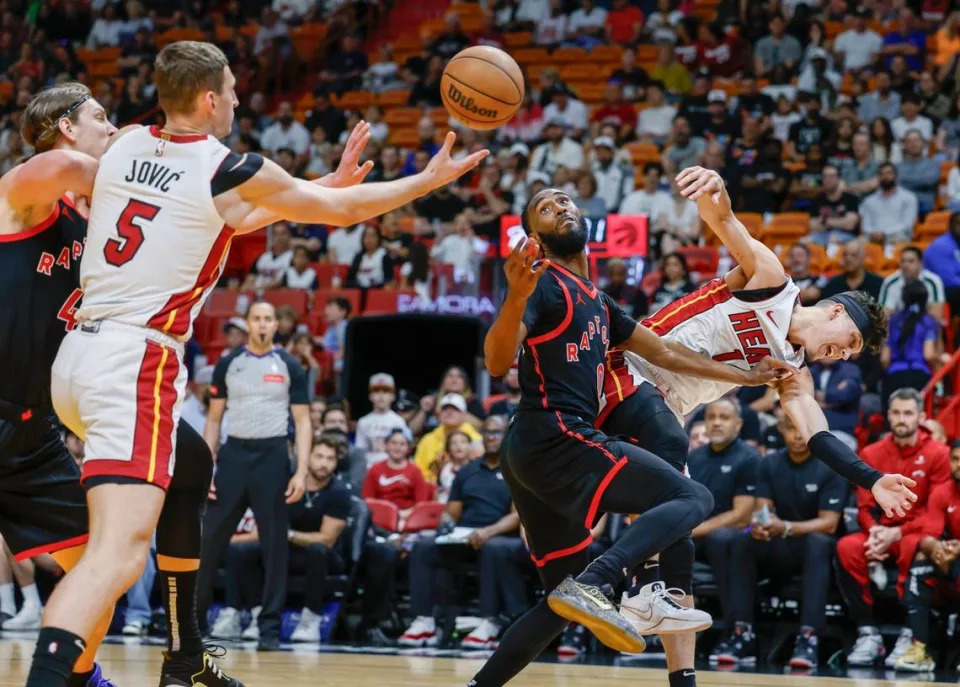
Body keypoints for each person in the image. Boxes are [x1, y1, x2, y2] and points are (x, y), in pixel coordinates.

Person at [36, 38, 488, 687]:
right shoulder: (229, 166)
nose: (243, 98)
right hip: (135, 362)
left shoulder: (128, 142)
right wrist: (427, 179)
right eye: (234, 88)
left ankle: (185, 656)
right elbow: (344, 213)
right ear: (212, 97)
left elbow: (203, 216)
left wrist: (313, 185)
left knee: (187, 468)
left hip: (76, 357)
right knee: (115, 557)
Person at [596, 166, 916, 686]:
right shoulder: (770, 279)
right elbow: (723, 220)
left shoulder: (793, 375)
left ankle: (681, 676)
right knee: (678, 473)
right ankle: (633, 587)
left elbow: (817, 435)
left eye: (852, 355)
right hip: (624, 368)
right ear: (836, 310)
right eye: (850, 340)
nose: (843, 354)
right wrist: (714, 184)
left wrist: (871, 480)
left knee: (681, 529)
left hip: (654, 412)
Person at [468, 186, 794, 687]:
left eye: (565, 200)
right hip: (553, 432)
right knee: (692, 495)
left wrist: (747, 377)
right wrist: (514, 298)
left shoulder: (599, 303)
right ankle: (609, 584)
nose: (561, 207)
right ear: (536, 235)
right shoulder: (544, 285)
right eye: (547, 208)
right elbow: (495, 360)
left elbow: (664, 353)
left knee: (560, 603)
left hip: (532, 452)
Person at [9, 80, 261, 687]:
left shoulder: (102, 219)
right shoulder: (31, 191)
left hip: (31, 430)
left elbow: (203, 210)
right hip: (15, 405)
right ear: (67, 127)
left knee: (104, 570)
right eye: (100, 117)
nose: (112, 125)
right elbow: (65, 166)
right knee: (109, 562)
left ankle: (138, 663)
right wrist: (148, 155)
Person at [197, 301, 312, 651]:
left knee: (275, 546)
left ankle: (269, 629)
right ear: (248, 324)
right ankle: (193, 622)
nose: (262, 324)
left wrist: (301, 472)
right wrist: (207, 467)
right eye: (256, 318)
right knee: (209, 540)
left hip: (273, 456)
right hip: (234, 456)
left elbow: (304, 422)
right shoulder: (229, 364)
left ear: (276, 324)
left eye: (268, 318)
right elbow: (214, 420)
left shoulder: (290, 365)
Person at [712, 414, 848, 668]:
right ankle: (742, 632)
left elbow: (828, 523)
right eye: (791, 429)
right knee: (742, 542)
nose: (797, 435)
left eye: (803, 429)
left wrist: (784, 526)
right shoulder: (769, 463)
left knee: (817, 542)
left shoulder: (830, 465)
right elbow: (764, 511)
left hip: (815, 548)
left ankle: (809, 637)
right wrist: (761, 527)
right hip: (781, 542)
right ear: (782, 430)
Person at [836, 388, 950, 668]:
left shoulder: (939, 453)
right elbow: (864, 506)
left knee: (917, 546)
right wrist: (875, 531)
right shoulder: (871, 451)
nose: (902, 419)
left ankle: (911, 633)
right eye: (896, 412)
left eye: (908, 413)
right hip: (880, 529)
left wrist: (896, 534)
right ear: (888, 415)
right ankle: (867, 632)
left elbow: (936, 510)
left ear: (921, 416)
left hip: (915, 532)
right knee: (847, 546)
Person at [895, 439, 960, 672]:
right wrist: (938, 549)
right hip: (951, 558)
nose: (959, 464)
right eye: (955, 459)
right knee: (918, 569)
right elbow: (928, 536)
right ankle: (920, 647)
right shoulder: (943, 492)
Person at [285, 436, 352, 643]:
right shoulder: (290, 483)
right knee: (248, 550)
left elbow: (327, 539)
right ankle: (252, 612)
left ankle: (310, 618)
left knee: (317, 550)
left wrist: (289, 535)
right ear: (307, 457)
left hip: (328, 556)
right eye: (319, 456)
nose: (324, 463)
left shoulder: (339, 492)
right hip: (290, 550)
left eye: (330, 459)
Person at [881, 281, 941, 410]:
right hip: (919, 377)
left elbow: (885, 359)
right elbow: (928, 354)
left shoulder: (893, 321)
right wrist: (941, 360)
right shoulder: (929, 322)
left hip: (894, 376)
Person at [361, 427, 430, 519]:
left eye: (402, 444)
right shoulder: (375, 469)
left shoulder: (415, 471)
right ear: (386, 445)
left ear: (408, 448)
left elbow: (421, 503)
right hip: (380, 517)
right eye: (393, 443)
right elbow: (368, 500)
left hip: (408, 518)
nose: (397, 448)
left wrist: (401, 515)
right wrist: (386, 515)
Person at [413, 394, 483, 481]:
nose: (449, 412)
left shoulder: (476, 440)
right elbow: (417, 471)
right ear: (438, 414)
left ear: (464, 414)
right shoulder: (428, 440)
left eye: (455, 409)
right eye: (445, 409)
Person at [878, 246, 946, 319]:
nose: (905, 265)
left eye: (911, 261)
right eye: (902, 261)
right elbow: (884, 317)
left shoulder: (933, 282)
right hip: (898, 326)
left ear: (920, 263)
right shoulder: (890, 282)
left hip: (925, 327)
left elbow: (936, 317)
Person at [355, 373, 408, 466]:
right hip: (369, 468)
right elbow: (359, 451)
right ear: (370, 396)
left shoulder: (398, 421)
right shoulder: (363, 422)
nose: (381, 395)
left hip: (391, 467)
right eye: (376, 391)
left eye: (386, 391)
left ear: (393, 396)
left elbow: (403, 450)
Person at [859, 163, 918, 244]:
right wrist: (874, 233)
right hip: (873, 237)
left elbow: (907, 225)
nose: (885, 177)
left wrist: (885, 234)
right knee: (854, 245)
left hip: (898, 236)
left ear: (896, 176)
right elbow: (866, 226)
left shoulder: (909, 197)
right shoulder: (869, 201)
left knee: (900, 240)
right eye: (881, 174)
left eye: (889, 173)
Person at [807, 164, 860, 245]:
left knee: (833, 239)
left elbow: (849, 225)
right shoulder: (817, 199)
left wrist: (824, 221)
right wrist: (840, 223)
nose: (828, 179)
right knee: (803, 241)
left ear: (839, 179)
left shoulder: (851, 198)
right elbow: (813, 226)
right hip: (822, 235)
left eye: (831, 176)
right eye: (825, 176)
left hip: (847, 236)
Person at [818, 239, 883, 301]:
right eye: (845, 255)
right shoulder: (833, 284)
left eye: (854, 255)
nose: (848, 259)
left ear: (863, 259)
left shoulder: (877, 283)